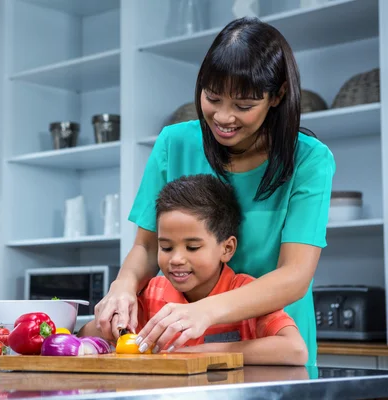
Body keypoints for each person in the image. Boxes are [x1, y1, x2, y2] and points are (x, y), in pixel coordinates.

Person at [93, 17, 335, 366]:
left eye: (244, 105)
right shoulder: (173, 144)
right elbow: (146, 247)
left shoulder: (310, 160)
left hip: (270, 350)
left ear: (278, 95)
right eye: (213, 97)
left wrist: (204, 312)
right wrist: (123, 286)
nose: (223, 117)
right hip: (186, 350)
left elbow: (294, 275)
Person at [79, 174, 308, 365]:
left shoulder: (245, 292)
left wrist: (197, 354)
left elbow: (295, 350)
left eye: (192, 247)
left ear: (227, 248)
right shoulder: (152, 295)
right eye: (166, 247)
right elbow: (85, 336)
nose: (176, 259)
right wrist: (110, 321)